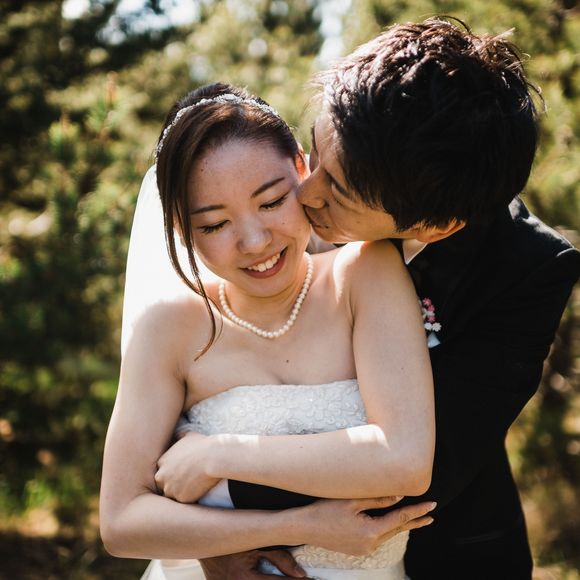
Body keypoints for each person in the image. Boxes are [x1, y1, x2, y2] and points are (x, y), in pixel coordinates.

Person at [156, 18, 580, 580]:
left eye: (339, 191)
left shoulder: (526, 269)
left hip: (440, 554)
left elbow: (426, 466)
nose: (304, 192)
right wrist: (206, 541)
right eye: (314, 153)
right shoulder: (285, 186)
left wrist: (221, 498)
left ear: (435, 226)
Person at [99, 82, 438, 580]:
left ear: (303, 170)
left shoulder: (364, 274)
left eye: (272, 201)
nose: (255, 242)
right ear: (180, 228)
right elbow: (121, 522)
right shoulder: (169, 327)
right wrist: (299, 525)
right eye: (215, 225)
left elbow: (406, 461)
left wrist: (218, 454)